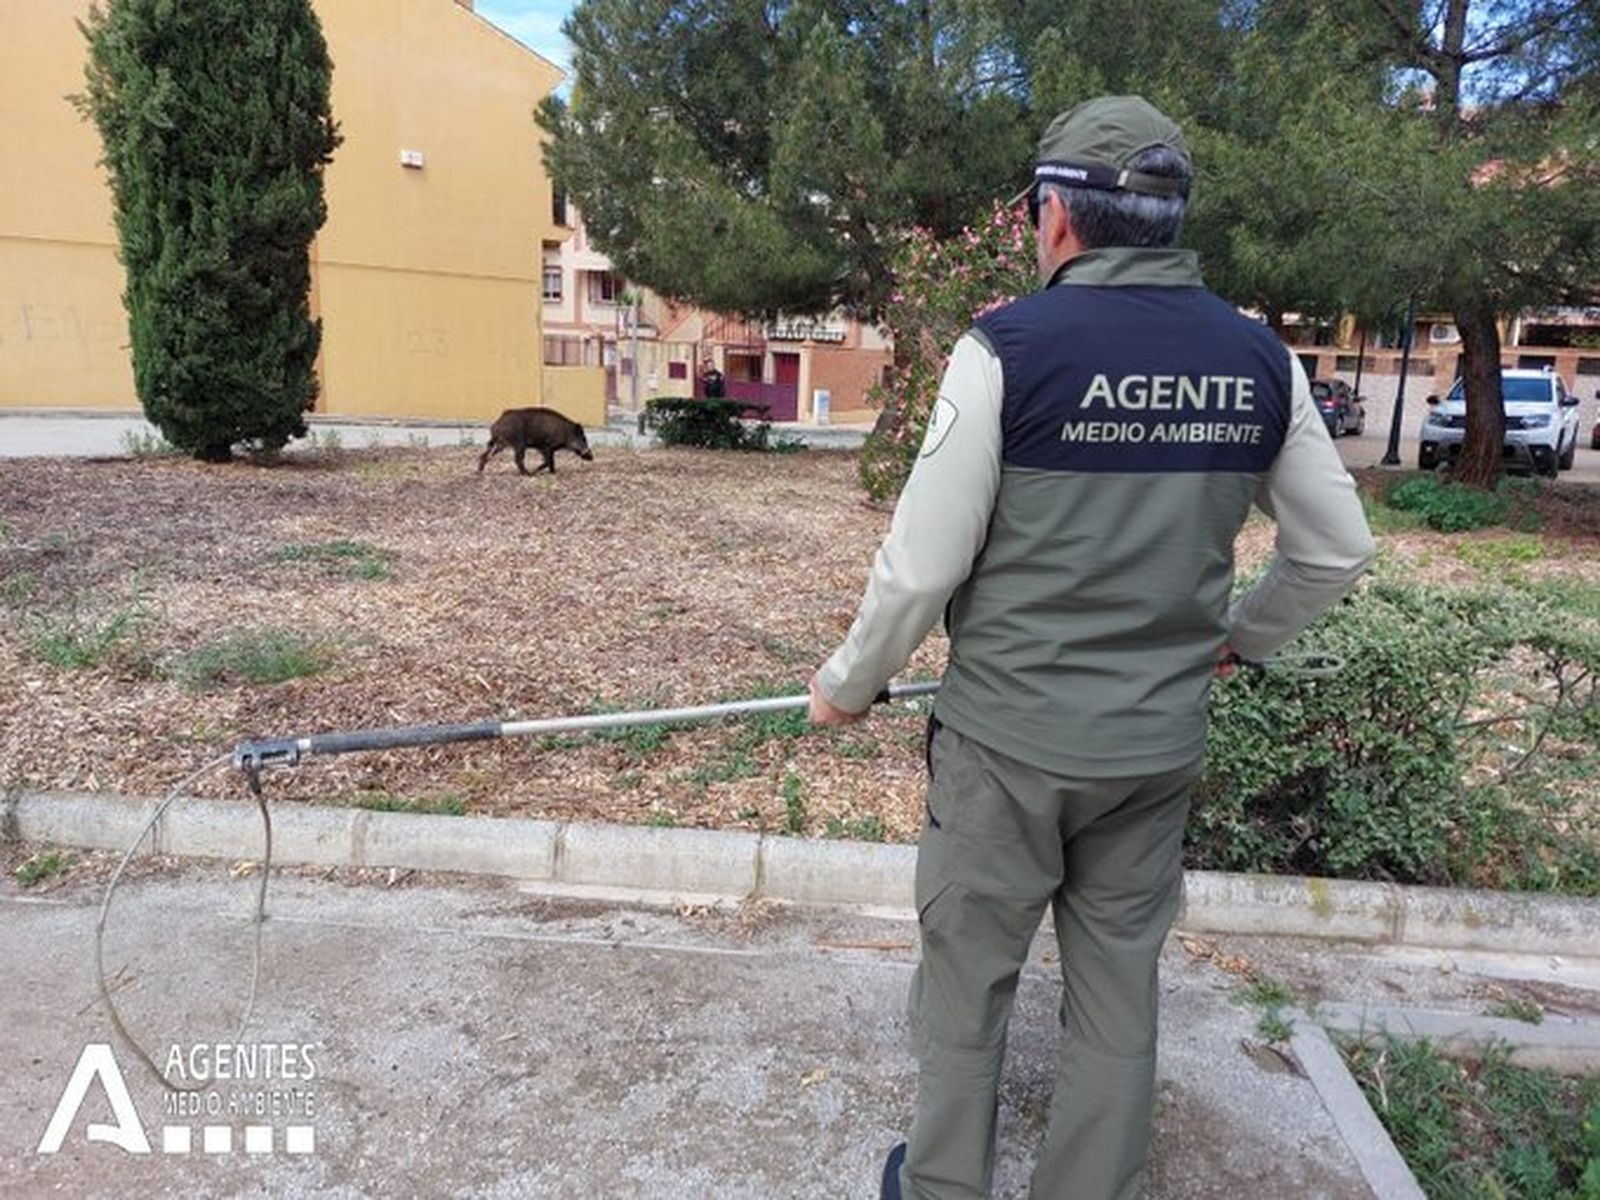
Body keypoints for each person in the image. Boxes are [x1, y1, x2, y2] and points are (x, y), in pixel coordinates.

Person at [808, 96, 1376, 1200]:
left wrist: (847, 685)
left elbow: (923, 569)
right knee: (1118, 984)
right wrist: (1239, 642)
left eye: (1031, 213)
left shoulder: (1006, 349)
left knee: (969, 978)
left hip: (1004, 748)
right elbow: (1335, 551)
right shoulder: (1258, 360)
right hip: (1152, 752)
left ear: (1057, 217)